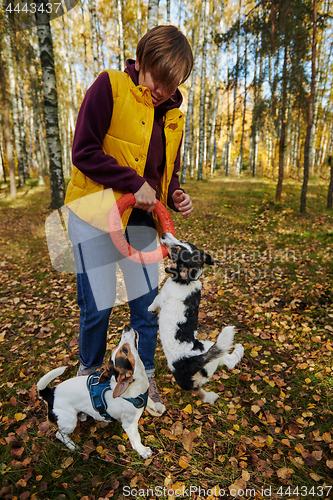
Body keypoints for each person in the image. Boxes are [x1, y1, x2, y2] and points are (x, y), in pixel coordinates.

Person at [64, 25, 194, 413]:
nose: (162, 91)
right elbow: (83, 151)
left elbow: (162, 175)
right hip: (93, 212)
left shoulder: (174, 119)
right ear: (141, 62)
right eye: (158, 78)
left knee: (146, 306)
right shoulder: (109, 86)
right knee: (98, 308)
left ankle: (144, 374)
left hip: (140, 222)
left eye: (172, 85)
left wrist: (174, 193)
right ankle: (89, 378)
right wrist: (132, 182)